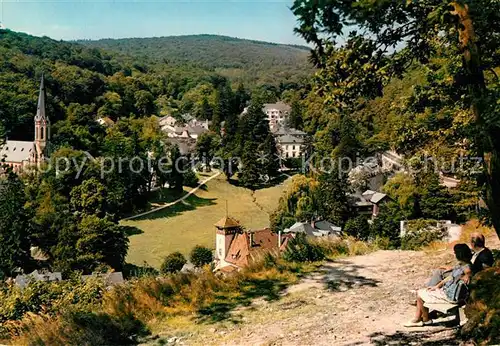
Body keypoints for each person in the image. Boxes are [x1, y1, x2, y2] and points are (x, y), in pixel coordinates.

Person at [404, 243, 472, 327]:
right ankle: (424, 319)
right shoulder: (462, 264)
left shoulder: (466, 267)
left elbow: (468, 273)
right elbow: (450, 277)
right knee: (424, 292)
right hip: (449, 292)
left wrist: (467, 276)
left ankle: (421, 319)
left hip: (450, 296)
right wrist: (437, 286)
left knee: (419, 294)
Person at [425, 232, 493, 286]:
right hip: (462, 271)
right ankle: (432, 288)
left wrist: (468, 276)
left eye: (471, 242)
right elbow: (465, 263)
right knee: (441, 270)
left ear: (473, 243)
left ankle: (429, 291)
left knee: (439, 272)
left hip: (466, 276)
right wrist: (453, 268)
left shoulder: (485, 255)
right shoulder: (476, 252)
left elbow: (486, 271)